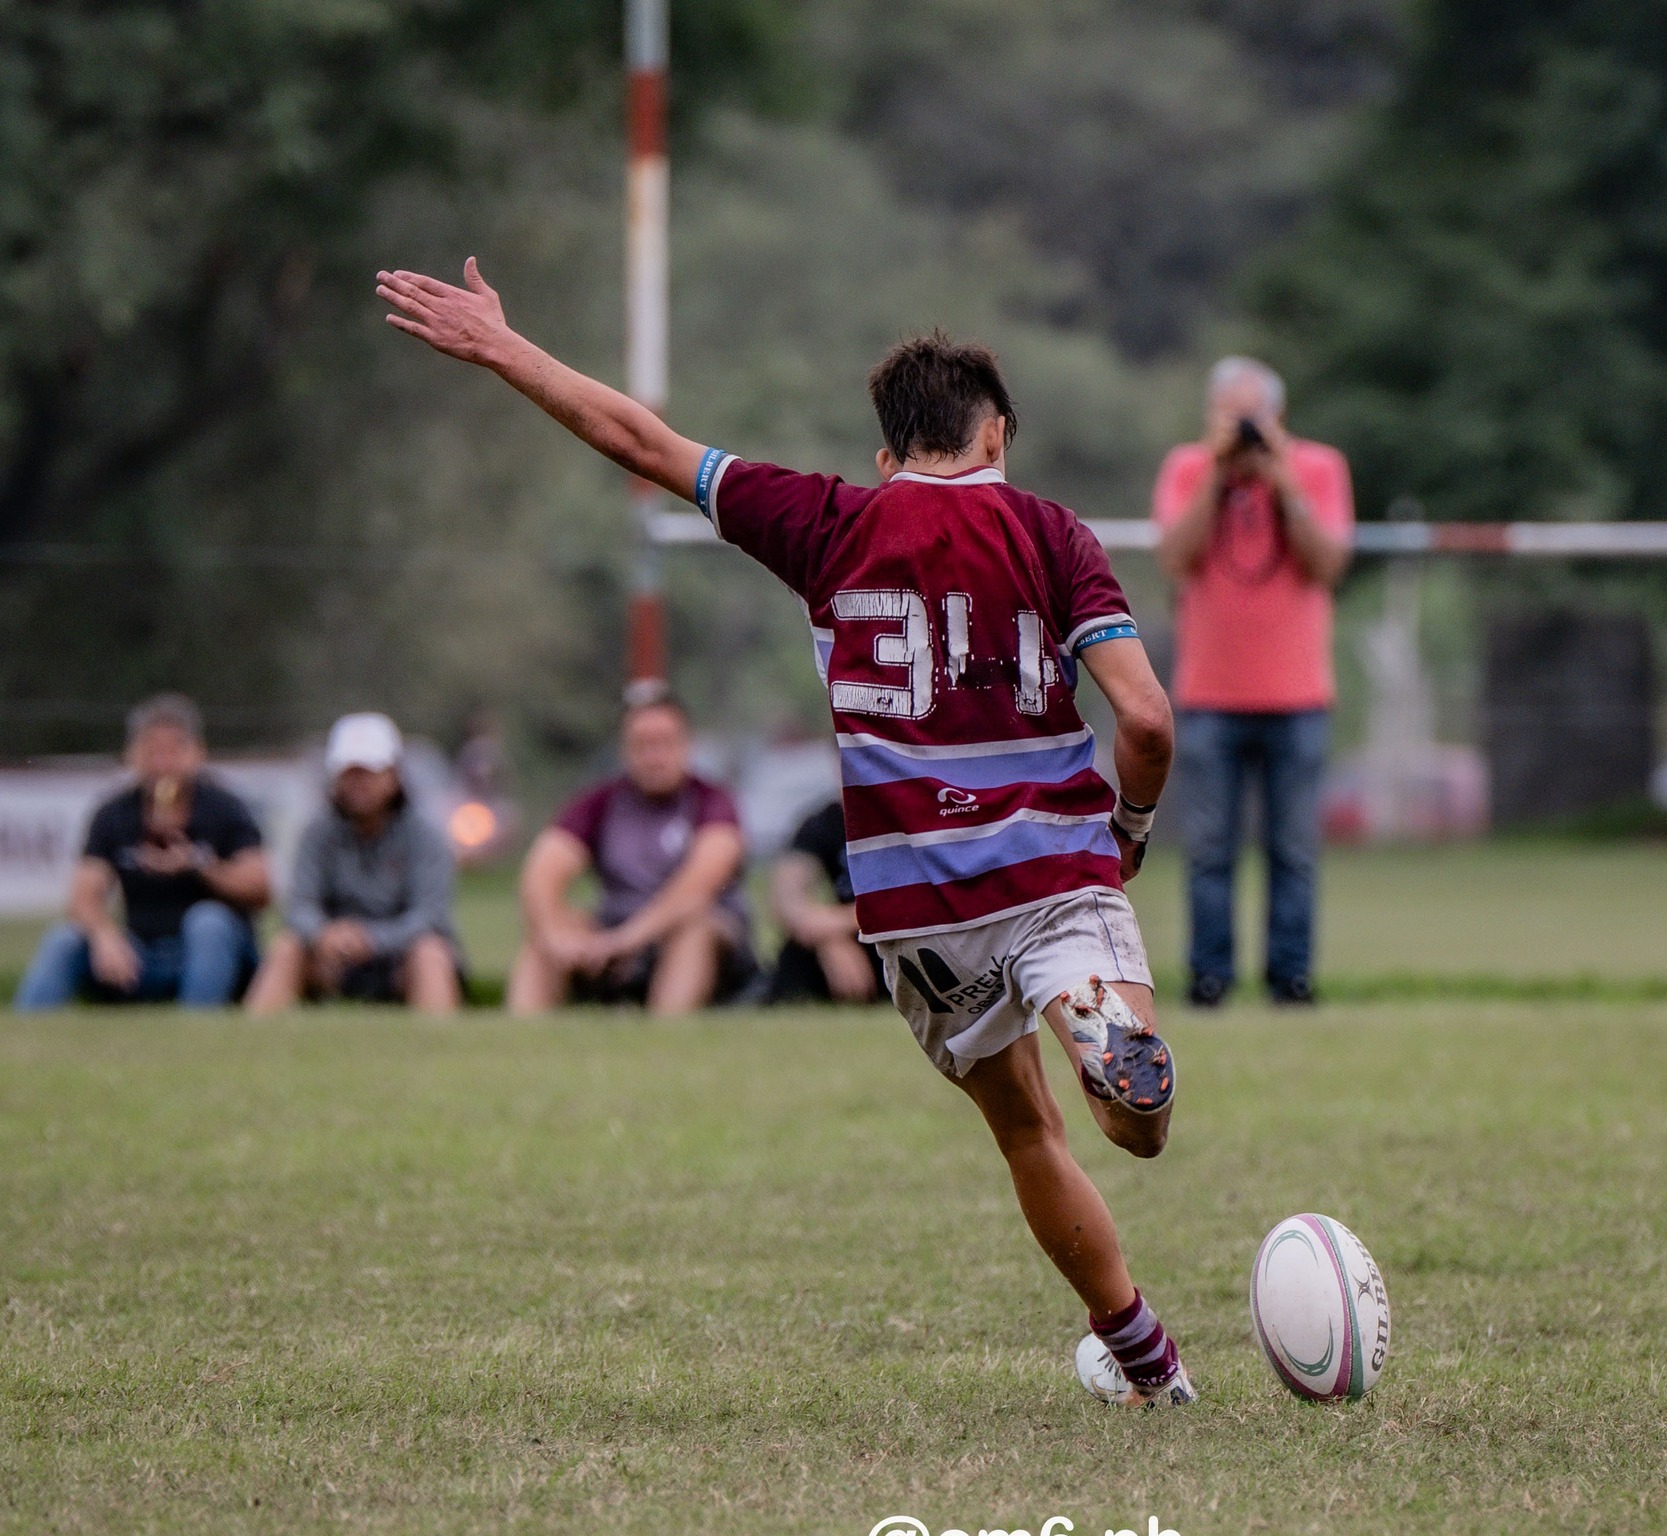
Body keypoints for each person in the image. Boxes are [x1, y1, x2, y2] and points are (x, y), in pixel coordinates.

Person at [379, 259, 1195, 1407]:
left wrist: (507, 348)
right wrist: (1132, 829)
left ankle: (1147, 1363)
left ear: (886, 454)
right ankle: (1096, 1023)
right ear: (996, 434)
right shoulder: (1054, 535)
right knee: (1133, 1131)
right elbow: (1147, 719)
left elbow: (642, 442)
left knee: (1025, 1133)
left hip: (918, 910)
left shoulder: (825, 523)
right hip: (1056, 866)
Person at [1153, 355, 1354, 1007]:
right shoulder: (1187, 468)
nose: (1242, 428)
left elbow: (1327, 564)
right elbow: (1176, 558)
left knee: (1293, 851)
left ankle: (1290, 977)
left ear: (1280, 416)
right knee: (1209, 850)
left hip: (1298, 698)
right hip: (1210, 696)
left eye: (1254, 415)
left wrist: (1280, 479)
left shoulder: (1319, 468)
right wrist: (1218, 475)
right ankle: (1209, 977)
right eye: (1230, 414)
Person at [14, 694, 269, 1010]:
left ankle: (198, 1028)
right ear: (131, 755)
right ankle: (25, 1030)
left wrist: (198, 864)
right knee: (64, 939)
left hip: (211, 955)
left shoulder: (225, 808)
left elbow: (260, 887)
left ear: (198, 754)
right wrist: (105, 935)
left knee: (208, 921)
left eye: (174, 750)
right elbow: (82, 897)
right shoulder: (114, 814)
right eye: (152, 751)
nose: (163, 763)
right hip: (140, 955)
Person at [509, 683, 752, 1015]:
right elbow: (542, 872)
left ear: (686, 745)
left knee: (695, 930)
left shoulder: (714, 803)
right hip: (615, 932)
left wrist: (627, 940)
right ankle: (520, 1032)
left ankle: (665, 1034)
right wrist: (554, 934)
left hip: (697, 938)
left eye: (665, 743)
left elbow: (697, 889)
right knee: (557, 928)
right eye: (643, 745)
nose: (655, 757)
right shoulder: (598, 803)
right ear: (624, 749)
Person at [245, 713, 464, 1015]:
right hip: (332, 957)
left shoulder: (425, 835)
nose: (358, 783)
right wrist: (324, 934)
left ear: (394, 775)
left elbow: (430, 914)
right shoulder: (317, 832)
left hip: (401, 957)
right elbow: (299, 905)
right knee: (287, 948)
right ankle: (253, 1040)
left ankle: (441, 1048)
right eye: (349, 773)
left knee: (431, 953)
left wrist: (373, 939)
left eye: (369, 772)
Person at [766, 797, 881, 1004]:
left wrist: (837, 925)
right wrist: (827, 937)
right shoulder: (824, 822)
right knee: (797, 953)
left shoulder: (909, 816)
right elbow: (786, 898)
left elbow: (920, 902)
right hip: (852, 934)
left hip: (900, 932)